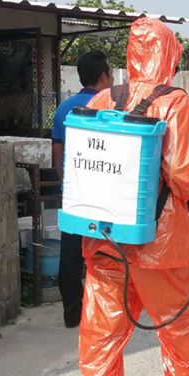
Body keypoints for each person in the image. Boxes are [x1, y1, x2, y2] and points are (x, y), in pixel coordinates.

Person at [77, 18, 189, 376]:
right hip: (161, 244)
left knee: (101, 337)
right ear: (170, 54)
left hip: (105, 239)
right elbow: (182, 173)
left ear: (131, 55)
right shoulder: (175, 102)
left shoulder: (101, 99)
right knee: (178, 327)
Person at [51, 51, 112, 329]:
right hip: (106, 192)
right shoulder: (110, 106)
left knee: (71, 252)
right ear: (104, 76)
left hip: (74, 191)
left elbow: (57, 151)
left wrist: (66, 183)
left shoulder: (64, 108)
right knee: (107, 250)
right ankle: (105, 313)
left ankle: (72, 314)